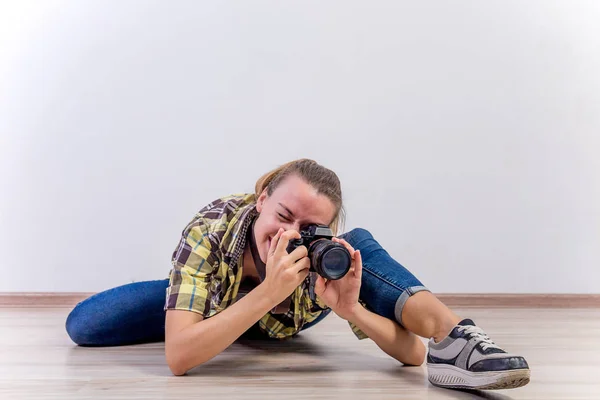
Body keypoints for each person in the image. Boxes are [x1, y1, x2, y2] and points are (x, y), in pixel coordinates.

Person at [66, 158, 530, 390]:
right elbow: (179, 360)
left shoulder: (326, 253)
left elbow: (411, 356)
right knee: (85, 325)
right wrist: (268, 293)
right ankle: (194, 310)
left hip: (286, 319)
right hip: (222, 301)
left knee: (362, 245)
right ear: (262, 196)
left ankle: (456, 340)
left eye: (308, 228)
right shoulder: (211, 229)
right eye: (283, 215)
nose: (289, 235)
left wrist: (351, 310)